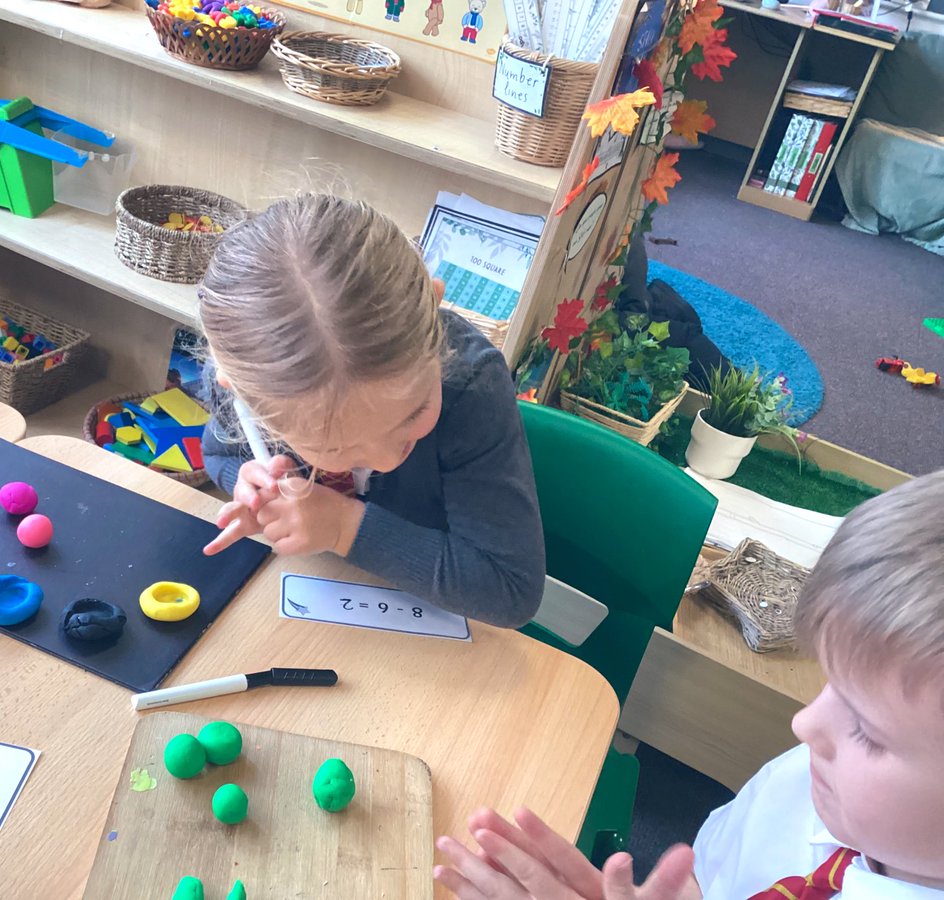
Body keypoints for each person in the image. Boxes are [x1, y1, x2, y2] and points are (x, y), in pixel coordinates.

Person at [434, 468, 944, 897]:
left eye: (869, 730)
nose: (805, 722)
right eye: (831, 682)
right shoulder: (812, 782)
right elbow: (713, 873)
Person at [197, 194, 546, 628]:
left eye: (414, 414)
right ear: (244, 395)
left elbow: (510, 591)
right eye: (336, 447)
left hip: (443, 629)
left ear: (434, 307)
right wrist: (256, 488)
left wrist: (343, 527)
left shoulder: (471, 385)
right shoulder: (262, 377)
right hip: (327, 609)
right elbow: (219, 452)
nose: (385, 460)